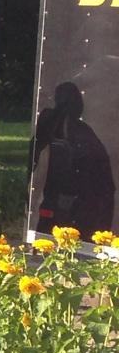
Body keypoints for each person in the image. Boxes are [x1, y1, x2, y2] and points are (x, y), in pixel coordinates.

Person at [30, 80, 115, 237]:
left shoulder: (81, 133)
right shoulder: (52, 125)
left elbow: (102, 180)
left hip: (76, 201)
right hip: (58, 197)